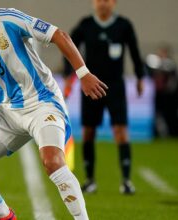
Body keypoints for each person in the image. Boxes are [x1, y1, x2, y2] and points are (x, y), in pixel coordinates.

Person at [0, 0, 108, 219]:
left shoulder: (9, 19)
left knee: (53, 162)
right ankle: (2, 214)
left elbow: (58, 35)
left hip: (42, 103)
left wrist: (83, 74)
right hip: (9, 112)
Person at [63, 0, 144, 194]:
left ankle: (126, 181)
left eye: (107, 0)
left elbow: (134, 51)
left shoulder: (124, 25)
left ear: (114, 3)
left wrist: (140, 76)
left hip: (115, 86)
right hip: (91, 86)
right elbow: (68, 46)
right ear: (93, 3)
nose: (103, 4)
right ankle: (90, 180)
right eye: (99, 0)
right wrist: (69, 75)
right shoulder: (86, 25)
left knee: (121, 131)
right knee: (89, 131)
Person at [146, 44, 178, 138]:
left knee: (172, 118)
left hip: (171, 99)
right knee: (157, 118)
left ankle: (175, 135)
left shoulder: (171, 66)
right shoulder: (154, 66)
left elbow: (174, 84)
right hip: (159, 97)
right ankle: (157, 135)